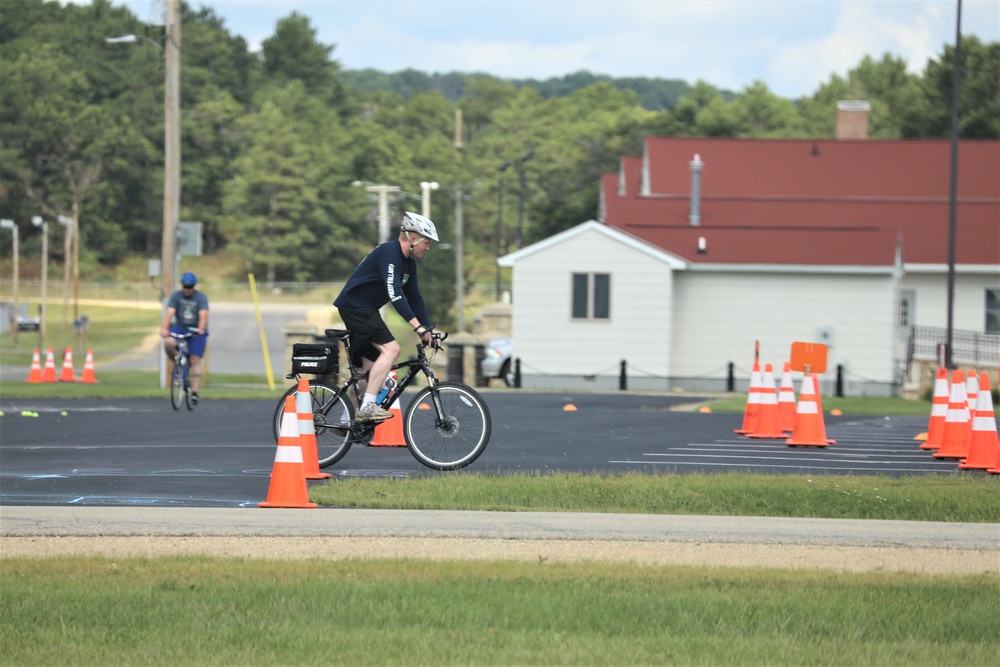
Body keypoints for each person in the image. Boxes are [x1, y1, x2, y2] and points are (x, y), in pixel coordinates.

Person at [334, 211, 438, 421]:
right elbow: (395, 294)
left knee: (369, 369)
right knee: (392, 349)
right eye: (426, 242)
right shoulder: (389, 254)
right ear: (413, 238)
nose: (428, 248)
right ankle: (368, 407)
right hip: (356, 307)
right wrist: (416, 327)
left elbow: (415, 297)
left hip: (365, 309)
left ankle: (346, 422)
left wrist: (427, 328)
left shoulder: (408, 263)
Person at [160, 272, 209, 405]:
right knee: (168, 342)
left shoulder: (201, 297)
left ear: (193, 287)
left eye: (190, 287)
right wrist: (164, 329)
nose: (187, 289)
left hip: (196, 329)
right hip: (180, 327)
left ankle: (194, 392)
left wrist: (200, 329)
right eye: (185, 286)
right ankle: (178, 360)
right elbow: (169, 312)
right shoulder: (176, 296)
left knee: (195, 359)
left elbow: (203, 314)